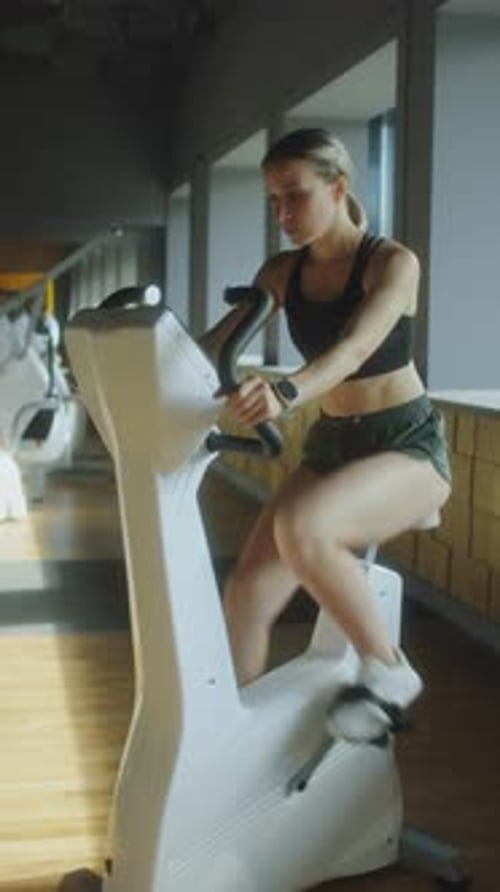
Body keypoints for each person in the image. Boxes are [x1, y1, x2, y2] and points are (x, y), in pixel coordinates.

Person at [202, 127, 451, 744]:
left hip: (406, 446)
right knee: (248, 593)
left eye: (295, 195)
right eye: (273, 200)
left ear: (337, 188)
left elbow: (355, 347)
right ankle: (231, 740)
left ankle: (390, 670)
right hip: (333, 446)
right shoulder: (283, 272)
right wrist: (135, 354)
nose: (282, 214)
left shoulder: (393, 263)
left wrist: (286, 391)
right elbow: (213, 343)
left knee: (303, 528)